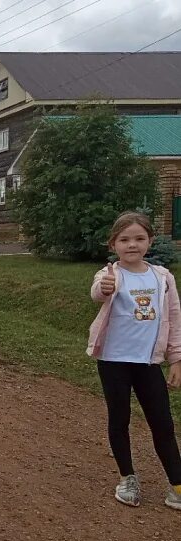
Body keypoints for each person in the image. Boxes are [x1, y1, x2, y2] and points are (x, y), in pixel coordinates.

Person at [88, 210, 181, 511]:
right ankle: (127, 477)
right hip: (114, 361)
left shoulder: (163, 278)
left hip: (148, 363)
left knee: (163, 424)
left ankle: (177, 485)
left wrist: (176, 359)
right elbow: (97, 293)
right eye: (124, 239)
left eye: (139, 238)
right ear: (113, 244)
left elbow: (175, 319)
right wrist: (104, 288)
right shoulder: (109, 275)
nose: (132, 245)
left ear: (150, 241)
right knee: (120, 418)